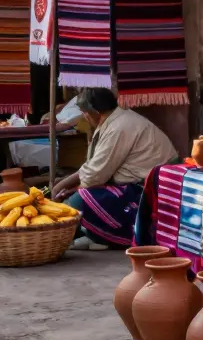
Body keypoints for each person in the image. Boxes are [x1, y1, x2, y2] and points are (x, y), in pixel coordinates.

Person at [51, 88, 177, 249]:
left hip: (149, 192)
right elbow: (94, 166)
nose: (85, 117)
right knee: (72, 201)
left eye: (85, 113)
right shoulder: (116, 119)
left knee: (79, 201)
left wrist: (67, 187)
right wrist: (64, 183)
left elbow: (94, 176)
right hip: (137, 185)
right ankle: (92, 234)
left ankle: (105, 237)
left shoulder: (118, 126)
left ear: (95, 112)